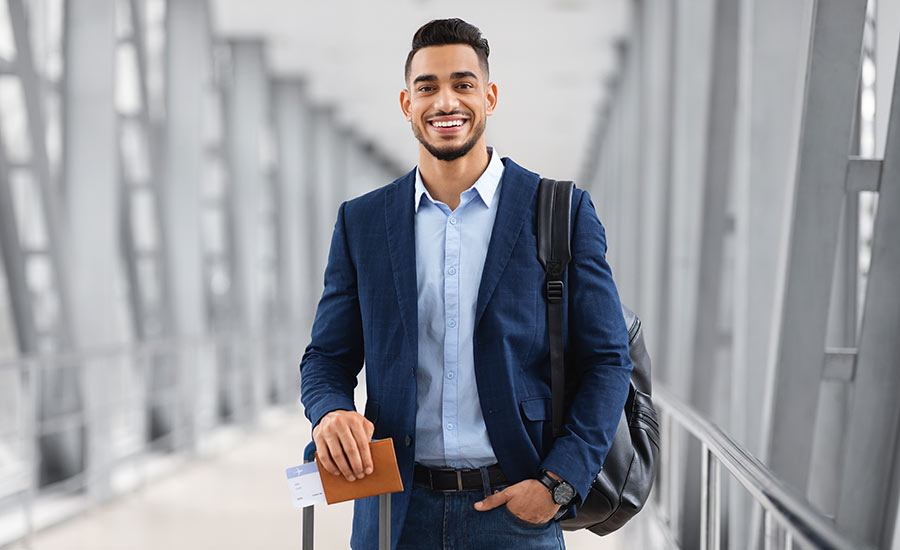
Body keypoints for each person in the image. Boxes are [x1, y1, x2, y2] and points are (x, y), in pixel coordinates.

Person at [300, 18, 632, 550]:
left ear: (490, 96)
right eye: (427, 87)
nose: (445, 102)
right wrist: (330, 410)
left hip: (515, 512)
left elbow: (609, 360)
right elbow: (325, 357)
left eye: (463, 84)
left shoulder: (560, 212)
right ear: (406, 104)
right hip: (394, 513)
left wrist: (557, 484)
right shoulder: (362, 222)